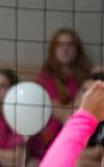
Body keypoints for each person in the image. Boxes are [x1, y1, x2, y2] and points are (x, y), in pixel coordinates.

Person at [35, 28, 92, 156]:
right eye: (60, 45)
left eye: (70, 45)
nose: (65, 49)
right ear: (53, 50)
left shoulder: (85, 77)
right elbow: (63, 116)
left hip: (81, 137)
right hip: (52, 140)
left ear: (77, 50)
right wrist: (81, 95)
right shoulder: (45, 78)